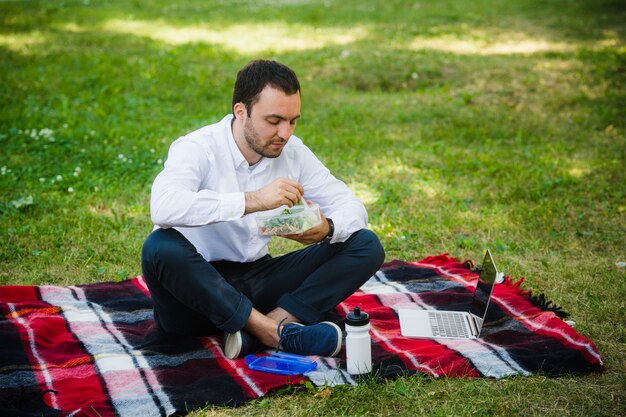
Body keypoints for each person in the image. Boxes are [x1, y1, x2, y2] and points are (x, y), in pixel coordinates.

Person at [141, 59, 385, 359]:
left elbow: (350, 205)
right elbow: (164, 206)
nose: (285, 132)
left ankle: (265, 328)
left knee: (365, 244)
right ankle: (273, 334)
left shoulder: (292, 152)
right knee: (159, 247)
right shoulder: (197, 147)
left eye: (293, 120)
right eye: (274, 121)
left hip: (257, 279)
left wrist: (328, 228)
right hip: (194, 293)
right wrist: (252, 200)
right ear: (240, 111)